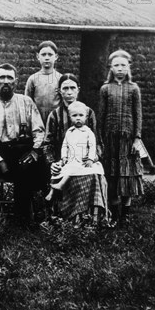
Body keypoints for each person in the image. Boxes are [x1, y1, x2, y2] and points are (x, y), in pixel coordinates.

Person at [0, 63, 45, 220]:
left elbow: (39, 132)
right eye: (2, 77)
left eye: (9, 78)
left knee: (27, 170)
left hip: (21, 152)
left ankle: (23, 218)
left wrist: (34, 152)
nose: (5, 81)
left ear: (16, 82)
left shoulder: (26, 102)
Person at [43, 74, 108, 224]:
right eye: (65, 88)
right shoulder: (54, 115)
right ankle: (65, 217)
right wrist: (53, 162)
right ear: (60, 91)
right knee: (62, 173)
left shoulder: (88, 113)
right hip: (64, 159)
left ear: (78, 90)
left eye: (73, 88)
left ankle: (92, 218)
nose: (69, 92)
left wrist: (94, 156)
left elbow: (97, 141)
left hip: (85, 158)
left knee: (96, 174)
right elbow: (47, 144)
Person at [98, 50, 144, 226]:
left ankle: (126, 214)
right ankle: (114, 213)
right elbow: (101, 117)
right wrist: (100, 142)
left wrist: (137, 138)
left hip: (128, 139)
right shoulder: (105, 89)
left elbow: (138, 115)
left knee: (127, 175)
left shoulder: (134, 89)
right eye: (116, 65)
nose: (120, 69)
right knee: (112, 174)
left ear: (128, 67)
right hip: (110, 140)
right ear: (111, 67)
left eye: (123, 65)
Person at [25, 40, 63, 125]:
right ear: (38, 56)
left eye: (50, 54)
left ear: (56, 56)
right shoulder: (33, 79)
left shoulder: (60, 78)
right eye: (43, 54)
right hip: (37, 121)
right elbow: (27, 103)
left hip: (56, 121)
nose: (47, 57)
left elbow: (64, 102)